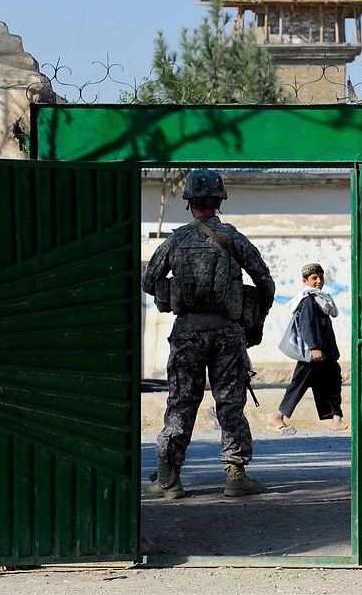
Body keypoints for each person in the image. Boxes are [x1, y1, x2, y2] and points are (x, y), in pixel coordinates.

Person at [142, 169, 276, 499]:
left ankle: (169, 479)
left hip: (186, 334)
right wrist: (254, 322)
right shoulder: (233, 238)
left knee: (180, 404)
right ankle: (235, 476)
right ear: (219, 201)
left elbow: (148, 282)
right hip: (228, 335)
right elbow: (265, 283)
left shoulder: (174, 241)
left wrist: (171, 292)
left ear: (189, 204)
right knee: (230, 405)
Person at [269, 263, 348, 433]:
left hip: (326, 352)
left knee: (333, 382)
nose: (318, 281)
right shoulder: (307, 300)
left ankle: (336, 419)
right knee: (299, 385)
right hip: (313, 354)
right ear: (305, 281)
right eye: (314, 278)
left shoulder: (322, 298)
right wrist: (314, 348)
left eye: (321, 277)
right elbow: (306, 326)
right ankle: (277, 416)